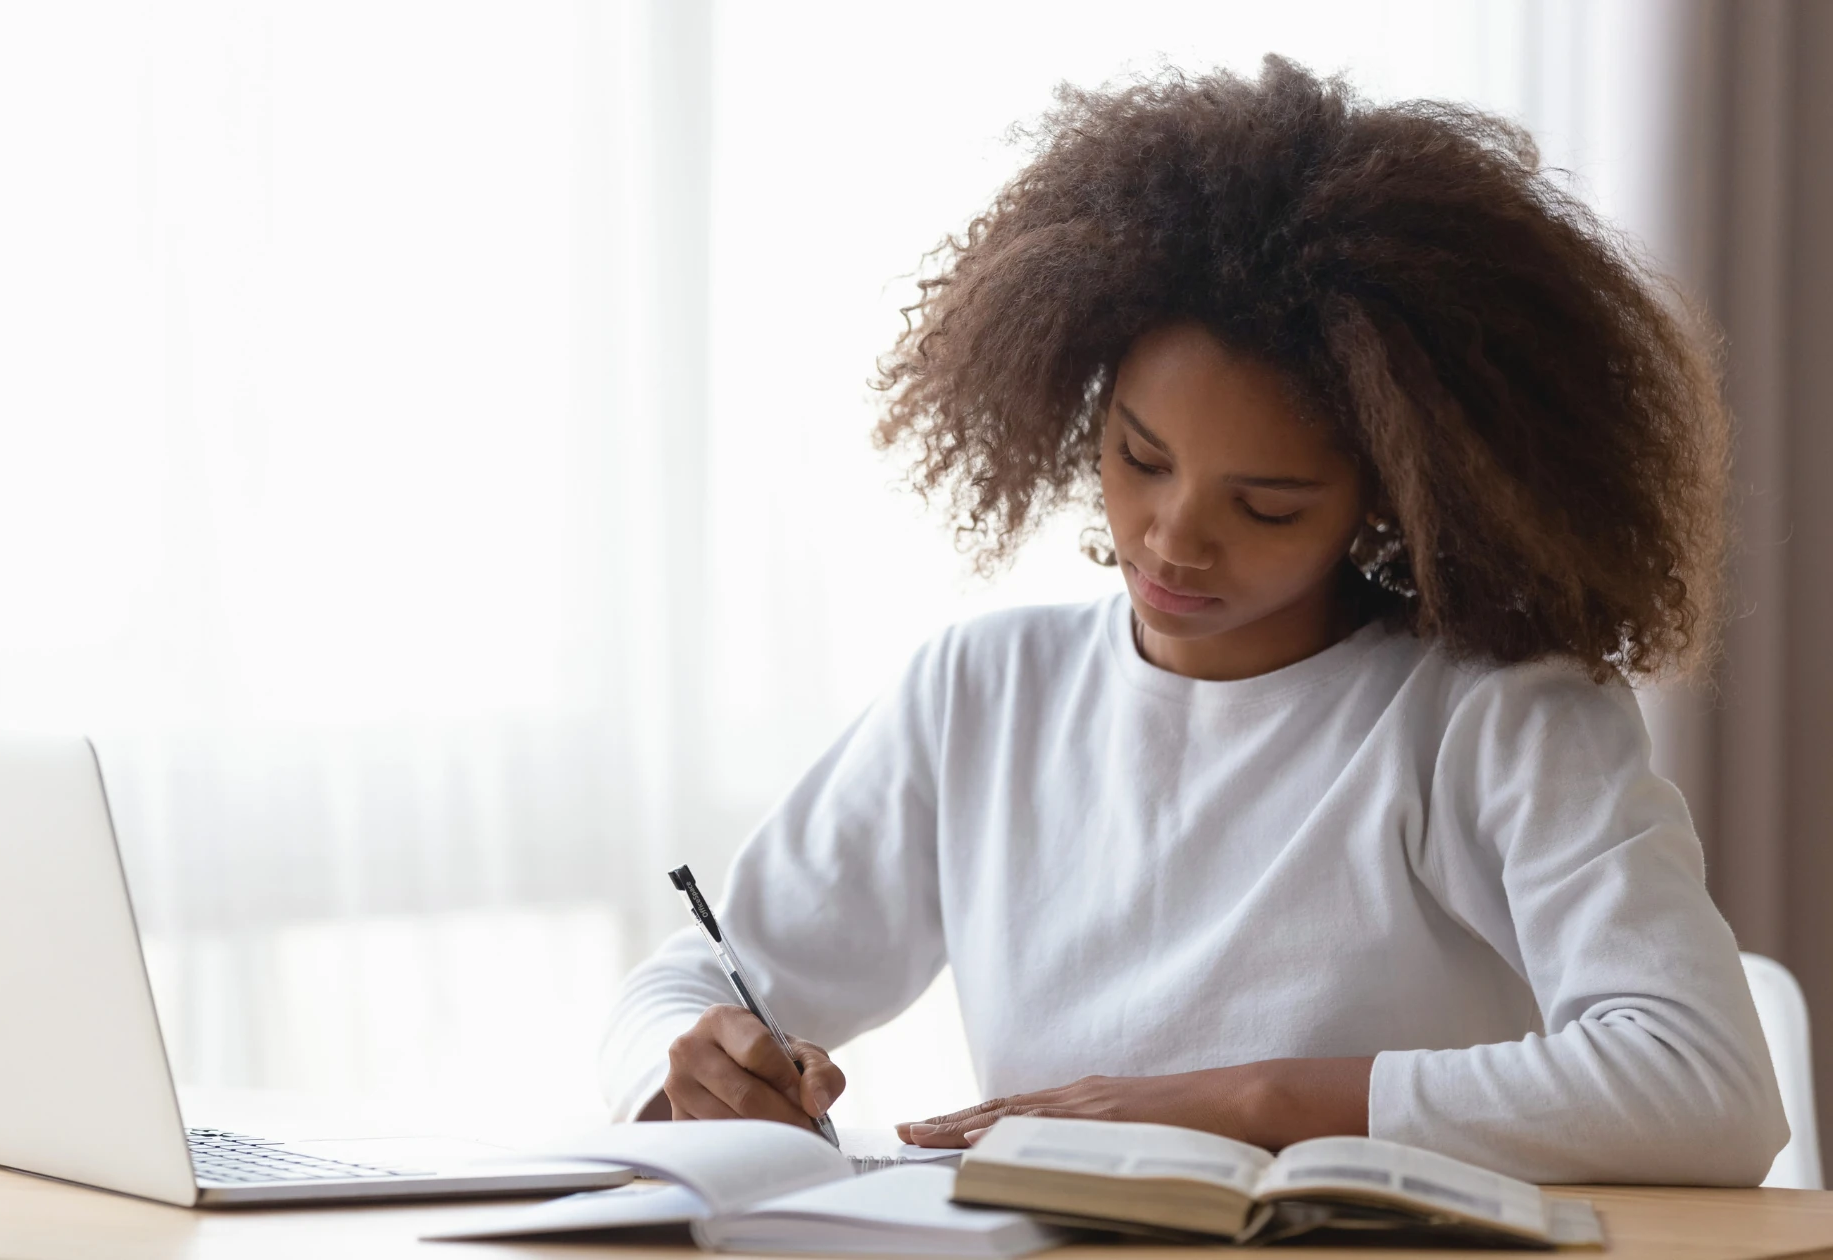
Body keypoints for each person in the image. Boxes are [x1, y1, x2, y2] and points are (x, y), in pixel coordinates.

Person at [597, 57, 1788, 1186]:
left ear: (1393, 491)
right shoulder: (982, 693)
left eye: (1267, 505)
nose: (1171, 539)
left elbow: (1704, 1084)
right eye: (1138, 457)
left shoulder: (1489, 709)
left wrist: (1246, 1105)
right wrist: (694, 1069)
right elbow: (699, 979)